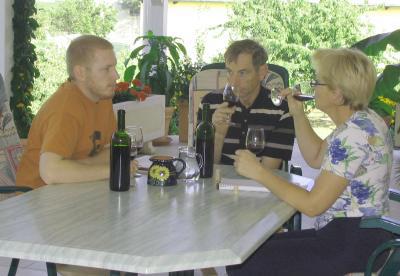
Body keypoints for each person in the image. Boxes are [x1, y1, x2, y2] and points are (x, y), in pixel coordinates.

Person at [227, 48, 393, 275]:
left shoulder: (353, 134)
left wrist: (259, 172)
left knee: (244, 263)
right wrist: (298, 113)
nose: (312, 86)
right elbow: (315, 157)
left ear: (336, 93)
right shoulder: (362, 120)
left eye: (318, 81)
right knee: (246, 251)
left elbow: (312, 206)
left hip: (351, 244)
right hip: (354, 235)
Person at [198, 39, 295, 169]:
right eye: (230, 72)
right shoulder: (209, 103)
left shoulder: (281, 110)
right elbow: (204, 168)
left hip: (260, 186)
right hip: (217, 185)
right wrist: (218, 135)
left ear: (262, 72)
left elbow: (270, 173)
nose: (233, 82)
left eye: (242, 73)